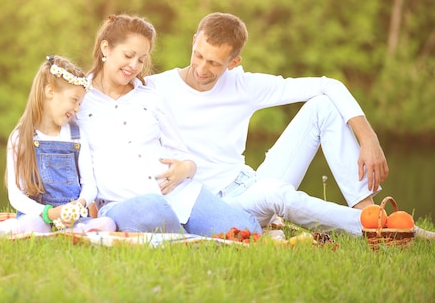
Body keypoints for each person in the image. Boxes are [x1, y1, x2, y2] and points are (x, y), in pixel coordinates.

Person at [146, 12, 434, 239]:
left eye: (214, 63)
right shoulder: (156, 89)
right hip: (217, 206)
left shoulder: (243, 86)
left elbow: (327, 85)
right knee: (275, 195)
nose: (201, 68)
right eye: (198, 55)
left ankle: (367, 210)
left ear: (233, 62)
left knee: (322, 106)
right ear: (194, 40)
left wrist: (368, 138)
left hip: (249, 184)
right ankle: (384, 229)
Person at [76, 14, 261, 236]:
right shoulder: (78, 99)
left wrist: (185, 168)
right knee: (151, 211)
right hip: (124, 203)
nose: (134, 66)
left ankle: (181, 234)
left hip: (178, 194)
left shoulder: (151, 96)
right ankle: (187, 239)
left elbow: (184, 157)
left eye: (142, 59)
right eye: (128, 55)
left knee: (246, 230)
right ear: (105, 48)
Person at [3, 55, 116, 234]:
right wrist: (49, 213)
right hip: (38, 215)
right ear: (50, 92)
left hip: (73, 217)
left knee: (108, 223)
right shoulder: (21, 137)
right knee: (33, 225)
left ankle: (71, 231)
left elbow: (89, 185)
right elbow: (16, 196)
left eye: (80, 103)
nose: (77, 109)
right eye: (74, 100)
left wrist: (80, 204)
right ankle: (51, 230)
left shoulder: (76, 136)